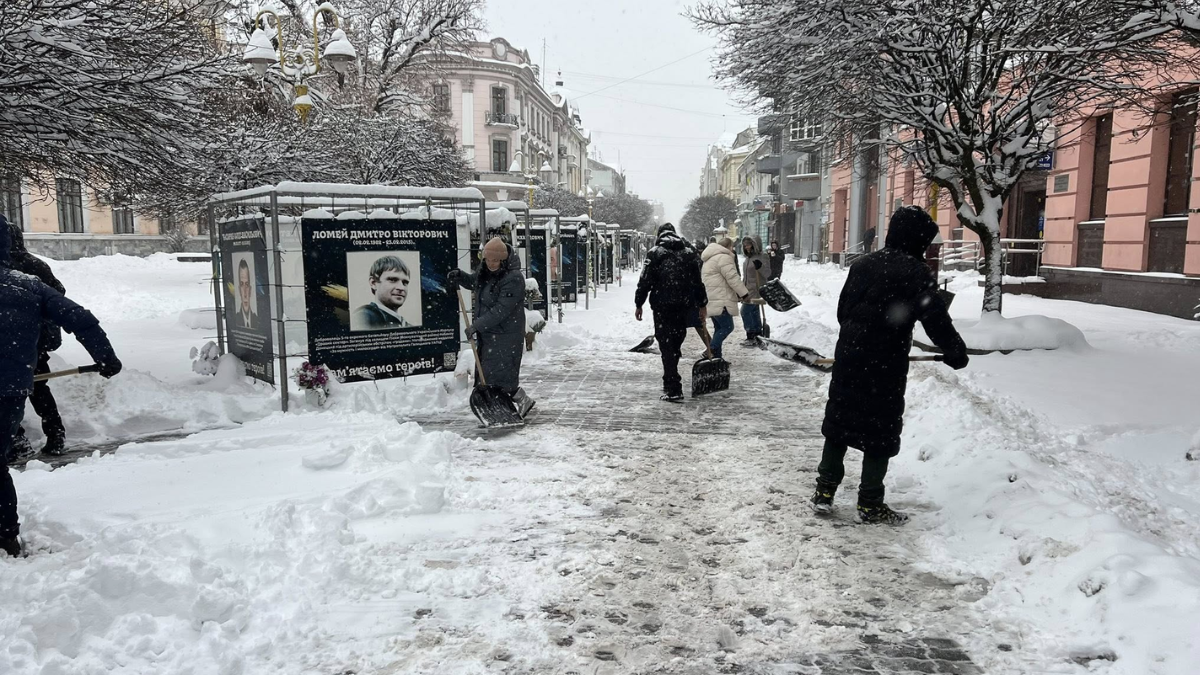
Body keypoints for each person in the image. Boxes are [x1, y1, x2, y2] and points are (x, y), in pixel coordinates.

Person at [812, 206, 969, 525]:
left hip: (851, 355)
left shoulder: (864, 264)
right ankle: (870, 502)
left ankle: (824, 492)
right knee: (879, 430)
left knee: (840, 422)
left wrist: (859, 338)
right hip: (885, 363)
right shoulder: (916, 272)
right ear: (917, 240)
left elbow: (844, 310)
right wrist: (954, 350)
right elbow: (934, 318)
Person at [1, 217, 122, 557]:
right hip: (16, 373)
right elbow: (78, 316)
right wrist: (105, 357)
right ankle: (6, 535)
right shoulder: (28, 280)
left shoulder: (29, 276)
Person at [449, 238, 534, 418]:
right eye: (488, 260)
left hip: (507, 334)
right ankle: (506, 404)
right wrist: (460, 276)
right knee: (489, 374)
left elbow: (501, 310)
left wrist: (476, 326)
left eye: (495, 261)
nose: (491, 264)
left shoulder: (514, 279)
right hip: (490, 333)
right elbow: (475, 282)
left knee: (501, 374)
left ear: (503, 260)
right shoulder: (486, 271)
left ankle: (516, 402)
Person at [6, 220, 68, 458]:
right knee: (38, 387)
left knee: (10, 391)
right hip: (34, 340)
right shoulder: (35, 264)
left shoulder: (9, 266)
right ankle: (55, 434)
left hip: (15, 340)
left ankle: (17, 439)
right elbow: (58, 293)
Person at [634, 223, 707, 402]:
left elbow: (645, 281)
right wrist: (702, 304)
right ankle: (670, 378)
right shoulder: (689, 254)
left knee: (666, 344)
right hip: (683, 305)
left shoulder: (654, 253)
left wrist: (639, 303)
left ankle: (673, 386)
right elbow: (697, 282)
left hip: (662, 306)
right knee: (675, 341)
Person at [700, 238, 750, 360]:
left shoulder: (709, 258)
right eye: (732, 247)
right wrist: (744, 294)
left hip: (711, 298)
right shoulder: (724, 257)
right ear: (728, 247)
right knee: (727, 327)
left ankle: (717, 358)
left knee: (719, 328)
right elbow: (733, 278)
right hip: (721, 298)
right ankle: (711, 348)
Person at [352, 255, 414, 331]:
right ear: (374, 283)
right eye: (393, 280)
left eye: (405, 282)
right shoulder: (364, 317)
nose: (401, 288)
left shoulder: (408, 325)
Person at [739, 236, 769, 345]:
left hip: (756, 289)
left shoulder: (762, 256)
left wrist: (760, 267)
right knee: (754, 313)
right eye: (745, 245)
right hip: (747, 290)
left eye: (748, 244)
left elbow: (767, 273)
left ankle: (751, 335)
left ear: (755, 245)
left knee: (745, 311)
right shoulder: (747, 259)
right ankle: (757, 334)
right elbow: (745, 276)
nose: (746, 247)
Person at [235, 259, 257, 329]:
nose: (245, 293)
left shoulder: (257, 320)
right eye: (242, 284)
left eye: (247, 285)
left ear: (250, 290)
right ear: (238, 289)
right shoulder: (236, 319)